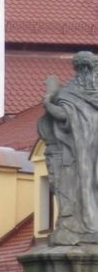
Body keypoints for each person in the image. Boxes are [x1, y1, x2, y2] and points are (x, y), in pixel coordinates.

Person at [38, 50, 98, 241]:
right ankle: (84, 225)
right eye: (93, 69)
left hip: (93, 151)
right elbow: (64, 115)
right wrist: (49, 105)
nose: (93, 74)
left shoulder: (87, 93)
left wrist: (48, 104)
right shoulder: (69, 94)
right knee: (79, 185)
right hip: (78, 153)